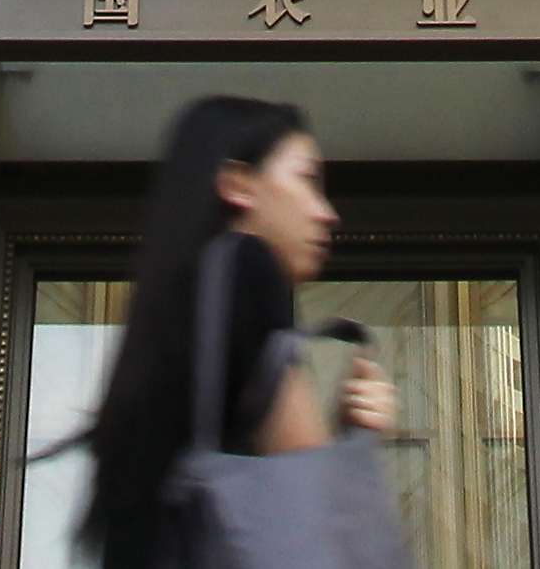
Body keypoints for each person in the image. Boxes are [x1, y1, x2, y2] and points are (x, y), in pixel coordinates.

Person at [77, 96, 399, 569]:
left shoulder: (169, 311)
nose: (325, 212)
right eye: (307, 180)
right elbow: (306, 490)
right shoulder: (250, 266)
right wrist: (360, 435)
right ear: (238, 185)